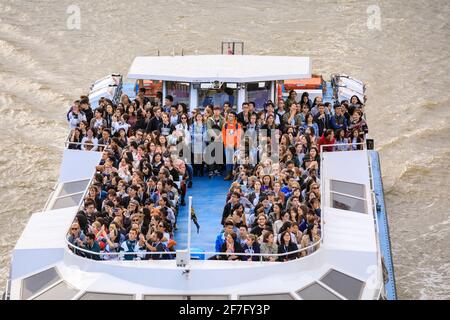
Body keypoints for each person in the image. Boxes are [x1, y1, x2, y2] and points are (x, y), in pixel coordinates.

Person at [222, 112, 242, 181]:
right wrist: (226, 144)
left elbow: (238, 136)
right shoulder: (225, 125)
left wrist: (235, 145)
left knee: (236, 160)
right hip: (227, 146)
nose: (230, 117)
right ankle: (228, 174)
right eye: (229, 116)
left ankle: (236, 174)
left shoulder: (237, 125)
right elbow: (223, 136)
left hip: (235, 146)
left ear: (234, 117)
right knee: (228, 160)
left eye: (231, 116)